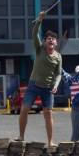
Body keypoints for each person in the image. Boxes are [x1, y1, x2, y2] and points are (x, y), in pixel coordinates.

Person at [18, 11, 62, 146]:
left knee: (48, 114)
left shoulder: (58, 57)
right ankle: (21, 137)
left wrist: (56, 84)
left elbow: (58, 74)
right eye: (48, 38)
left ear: (56, 43)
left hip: (48, 89)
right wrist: (40, 20)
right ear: (44, 41)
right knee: (24, 109)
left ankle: (50, 142)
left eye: (53, 38)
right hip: (34, 85)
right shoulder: (39, 49)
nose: (50, 39)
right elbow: (34, 33)